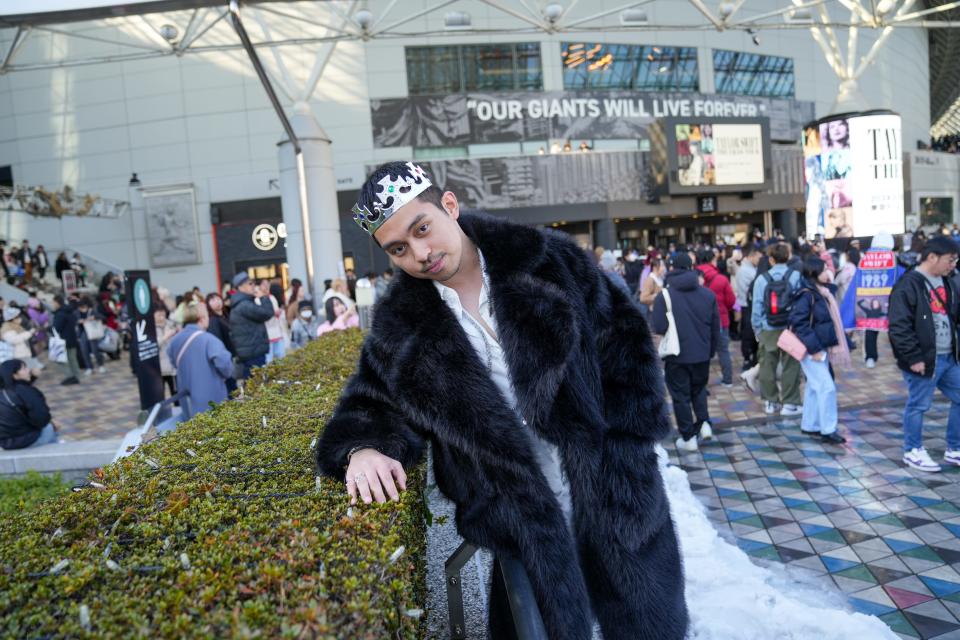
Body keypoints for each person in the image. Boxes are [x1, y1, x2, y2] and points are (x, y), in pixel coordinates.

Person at [314, 162, 686, 640]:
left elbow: (627, 351)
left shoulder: (549, 261)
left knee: (645, 624)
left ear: (449, 205)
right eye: (400, 249)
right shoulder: (400, 327)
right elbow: (370, 402)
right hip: (521, 524)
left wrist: (626, 453)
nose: (421, 253)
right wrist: (360, 448)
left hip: (613, 493)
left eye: (422, 228)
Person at [888, 235, 960, 472]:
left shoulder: (949, 281)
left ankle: (954, 448)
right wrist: (914, 358)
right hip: (924, 358)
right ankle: (913, 450)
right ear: (932, 257)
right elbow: (899, 326)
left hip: (949, 356)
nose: (953, 265)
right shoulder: (909, 284)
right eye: (950, 260)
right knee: (919, 405)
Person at [651, 253, 719, 452]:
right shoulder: (707, 294)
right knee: (699, 389)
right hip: (702, 353)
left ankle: (688, 436)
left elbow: (660, 326)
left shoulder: (665, 295)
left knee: (680, 395)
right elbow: (716, 329)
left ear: (671, 268)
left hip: (677, 355)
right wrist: (710, 351)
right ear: (691, 267)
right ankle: (704, 423)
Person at [788, 257, 849, 444]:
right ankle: (828, 429)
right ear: (814, 273)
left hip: (818, 346)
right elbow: (800, 324)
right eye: (823, 270)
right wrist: (814, 349)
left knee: (815, 387)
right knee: (826, 387)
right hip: (811, 349)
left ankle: (810, 424)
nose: (827, 272)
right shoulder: (807, 294)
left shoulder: (821, 291)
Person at [751, 242, 803, 416]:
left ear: (771, 260)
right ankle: (790, 403)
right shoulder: (795, 276)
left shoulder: (762, 279)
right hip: (790, 327)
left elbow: (757, 307)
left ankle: (770, 402)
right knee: (791, 365)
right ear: (787, 258)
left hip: (768, 327)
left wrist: (757, 330)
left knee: (767, 365)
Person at [167, 303, 233, 420]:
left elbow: (172, 361)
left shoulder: (175, 340)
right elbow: (225, 366)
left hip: (187, 398)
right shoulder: (210, 340)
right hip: (212, 397)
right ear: (202, 319)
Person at [696, 249, 736, 387]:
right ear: (712, 260)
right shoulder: (721, 279)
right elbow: (731, 300)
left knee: (702, 351)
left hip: (700, 320)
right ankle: (727, 379)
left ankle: (702, 383)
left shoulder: (693, 278)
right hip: (720, 319)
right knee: (723, 350)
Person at [0, 359, 59, 449]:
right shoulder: (25, 391)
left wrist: (32, 377)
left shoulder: (5, 390)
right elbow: (41, 418)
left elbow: (18, 394)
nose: (29, 370)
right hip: (27, 440)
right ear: (14, 375)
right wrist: (51, 421)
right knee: (50, 427)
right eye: (24, 368)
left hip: (5, 443)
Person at [228, 273, 274, 379]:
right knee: (256, 384)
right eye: (250, 283)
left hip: (251, 351)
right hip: (253, 352)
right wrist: (263, 297)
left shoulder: (243, 302)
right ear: (240, 287)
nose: (254, 286)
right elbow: (267, 313)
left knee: (254, 383)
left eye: (253, 283)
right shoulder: (244, 305)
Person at [736, 246, 762, 371]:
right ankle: (748, 359)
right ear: (752, 255)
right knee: (749, 334)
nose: (760, 259)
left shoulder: (750, 268)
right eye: (758, 257)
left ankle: (751, 358)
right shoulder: (746, 270)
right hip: (748, 306)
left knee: (750, 333)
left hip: (748, 305)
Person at [51, 295, 81, 385]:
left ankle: (70, 376)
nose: (52, 304)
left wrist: (48, 328)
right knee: (72, 359)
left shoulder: (60, 314)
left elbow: (56, 328)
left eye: (53, 302)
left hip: (63, 340)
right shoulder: (70, 311)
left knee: (60, 359)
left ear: (57, 303)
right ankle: (76, 376)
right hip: (72, 338)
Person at [76, 297, 105, 375]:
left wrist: (93, 317)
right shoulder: (77, 312)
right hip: (83, 333)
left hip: (92, 332)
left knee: (95, 350)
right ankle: (89, 367)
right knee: (84, 350)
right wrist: (79, 321)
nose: (81, 309)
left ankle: (101, 365)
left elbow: (102, 317)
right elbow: (74, 320)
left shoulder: (92, 311)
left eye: (83, 306)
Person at [155, 306, 178, 399]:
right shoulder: (150, 328)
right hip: (159, 367)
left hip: (172, 367)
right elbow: (152, 347)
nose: (161, 317)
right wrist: (165, 337)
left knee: (176, 394)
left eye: (163, 314)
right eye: (158, 315)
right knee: (159, 396)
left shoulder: (171, 325)